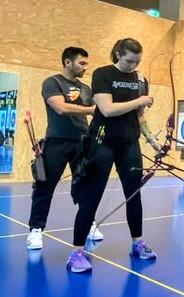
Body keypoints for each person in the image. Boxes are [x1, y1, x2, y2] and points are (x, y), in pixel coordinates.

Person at [67, 38, 161, 273]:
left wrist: (152, 139)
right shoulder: (103, 74)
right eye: (130, 60)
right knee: (92, 197)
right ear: (118, 54)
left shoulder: (140, 80)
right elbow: (107, 109)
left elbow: (139, 117)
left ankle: (137, 243)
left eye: (138, 61)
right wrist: (139, 100)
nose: (133, 65)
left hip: (129, 143)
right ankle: (77, 252)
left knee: (134, 195)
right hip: (102, 142)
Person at [26, 47, 104, 250]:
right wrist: (91, 110)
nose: (85, 67)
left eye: (87, 63)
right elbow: (61, 108)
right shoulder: (52, 82)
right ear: (68, 62)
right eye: (82, 63)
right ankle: (35, 230)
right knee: (45, 186)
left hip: (83, 142)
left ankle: (89, 223)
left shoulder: (86, 89)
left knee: (85, 186)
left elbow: (103, 106)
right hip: (57, 141)